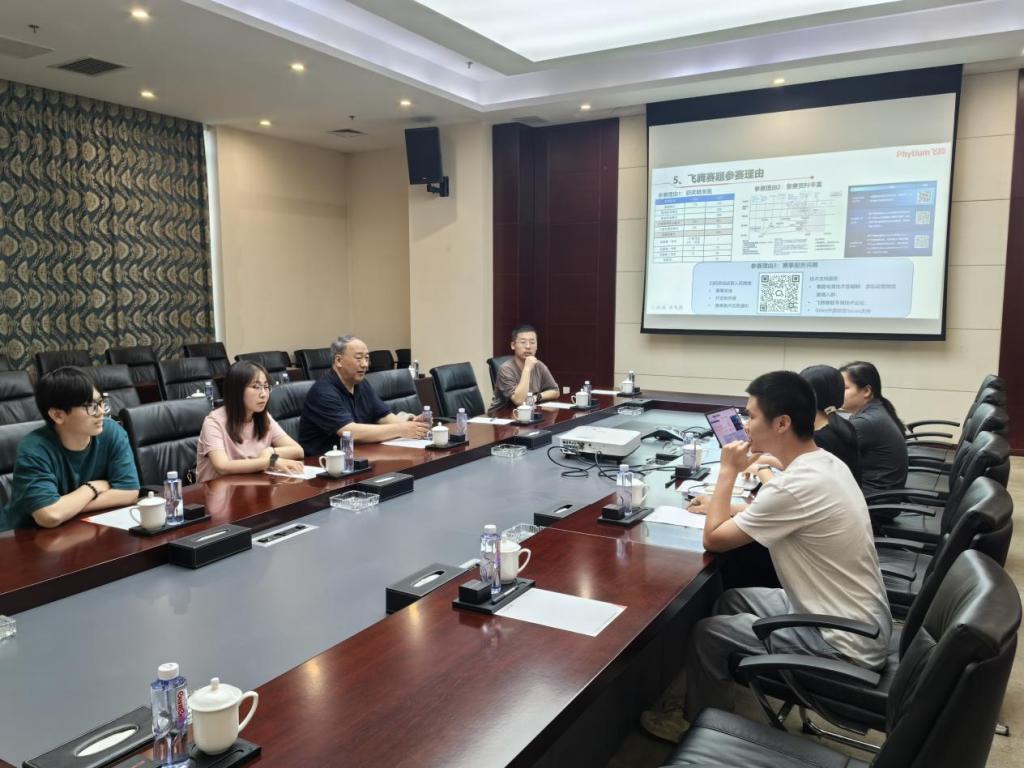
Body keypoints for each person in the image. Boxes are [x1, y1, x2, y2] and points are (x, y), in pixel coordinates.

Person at [643, 370, 891, 740]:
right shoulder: (823, 463)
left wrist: (727, 472)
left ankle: (697, 728)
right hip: (856, 618)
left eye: (751, 416)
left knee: (708, 633)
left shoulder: (794, 486)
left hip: (843, 642)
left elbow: (714, 539)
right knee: (731, 599)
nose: (744, 426)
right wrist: (737, 490)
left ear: (782, 423)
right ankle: (718, 699)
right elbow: (781, 510)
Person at [4, 366, 140, 529]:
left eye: (101, 402)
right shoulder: (33, 449)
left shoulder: (111, 431)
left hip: (81, 527)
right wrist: (92, 488)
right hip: (26, 537)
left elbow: (129, 492)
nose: (101, 412)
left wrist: (67, 508)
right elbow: (50, 515)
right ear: (58, 415)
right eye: (89, 405)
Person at [298, 335, 429, 454]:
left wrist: (414, 426)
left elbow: (383, 416)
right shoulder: (323, 392)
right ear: (338, 361)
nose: (365, 364)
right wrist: (400, 429)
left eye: (367, 358)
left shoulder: (361, 384)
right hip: (323, 463)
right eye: (359, 358)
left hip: (357, 455)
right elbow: (350, 432)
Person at [196, 361, 306, 483]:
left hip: (251, 487)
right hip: (216, 491)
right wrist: (270, 461)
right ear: (236, 390)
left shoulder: (264, 417)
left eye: (266, 387)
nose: (263, 394)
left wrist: (270, 452)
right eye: (256, 387)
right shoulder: (213, 422)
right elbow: (222, 466)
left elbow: (298, 450)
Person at [840, 361, 908, 492]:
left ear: (866, 391)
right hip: (881, 492)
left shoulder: (866, 421)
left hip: (874, 498)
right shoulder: (877, 408)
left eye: (845, 388)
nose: (838, 392)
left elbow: (829, 453)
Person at [489, 325, 559, 413]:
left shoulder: (539, 366)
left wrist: (536, 397)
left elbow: (555, 391)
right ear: (513, 345)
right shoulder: (505, 369)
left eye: (532, 342)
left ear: (537, 346)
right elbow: (520, 401)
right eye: (523, 342)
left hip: (527, 414)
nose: (528, 346)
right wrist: (527, 369)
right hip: (501, 416)